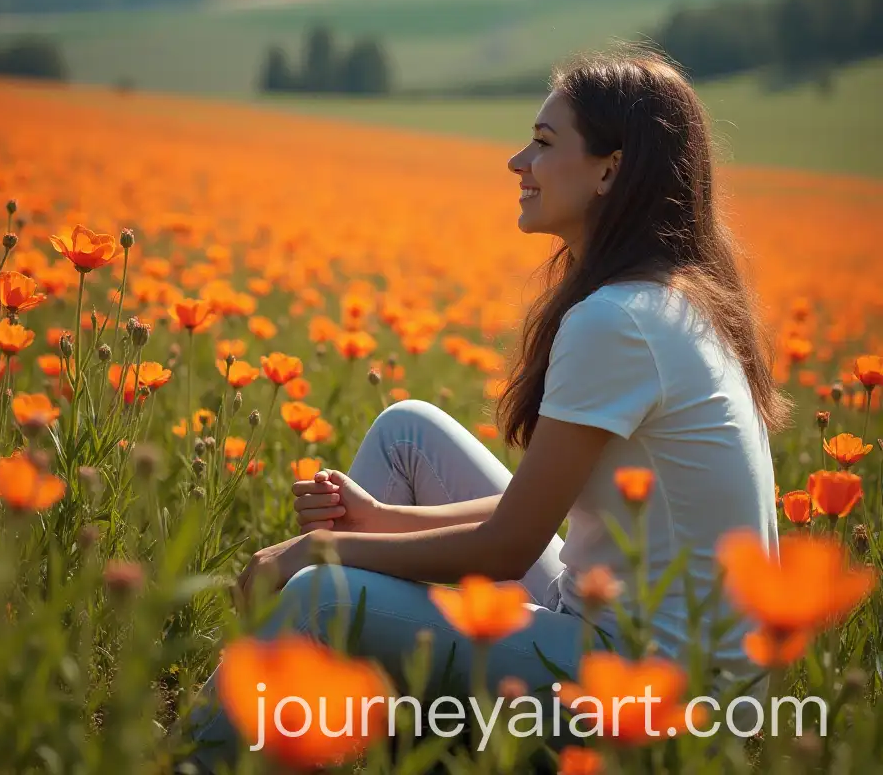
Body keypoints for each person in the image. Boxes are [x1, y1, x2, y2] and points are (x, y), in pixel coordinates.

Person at [175, 48, 790, 771]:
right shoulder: (669, 297)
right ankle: (350, 729)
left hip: (661, 698)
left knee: (317, 594)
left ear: (608, 169)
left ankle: (196, 759)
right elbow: (533, 516)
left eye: (544, 142)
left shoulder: (620, 319)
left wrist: (323, 547)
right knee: (408, 433)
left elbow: (509, 547)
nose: (516, 161)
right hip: (623, 633)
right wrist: (382, 523)